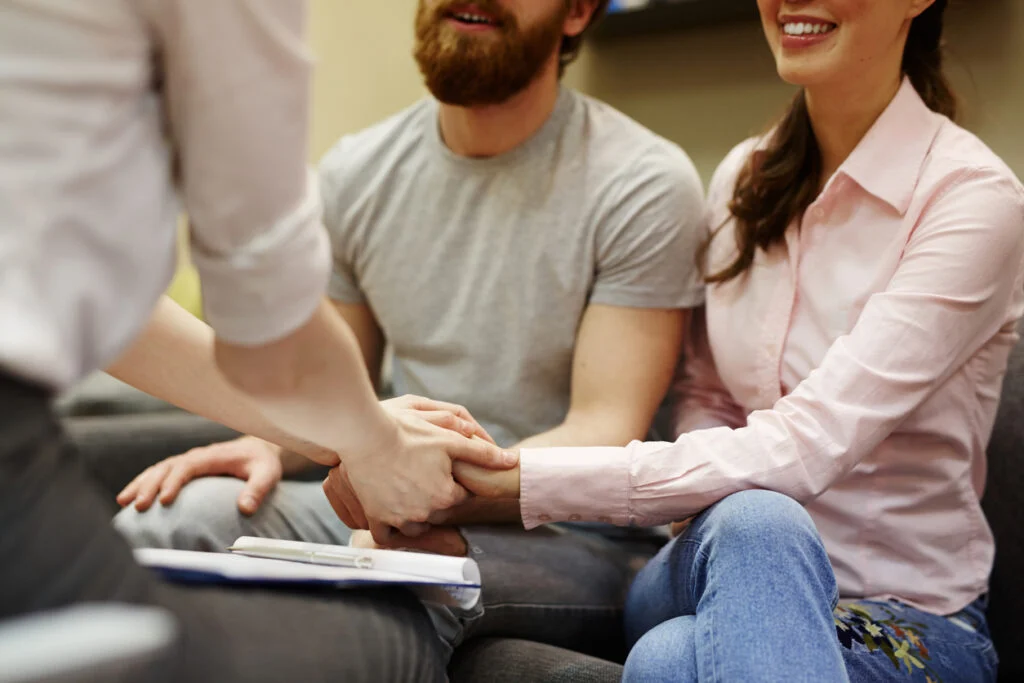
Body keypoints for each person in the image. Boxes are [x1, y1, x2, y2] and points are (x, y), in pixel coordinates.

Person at [443, 0, 1024, 680]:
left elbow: (808, 444)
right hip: (719, 557)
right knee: (756, 522)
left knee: (669, 659)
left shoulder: (973, 200)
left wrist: (509, 480)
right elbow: (708, 394)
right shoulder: (741, 180)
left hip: (911, 614)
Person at [113, 0, 706, 658]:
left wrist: (423, 489)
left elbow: (602, 431)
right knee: (172, 519)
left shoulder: (643, 183)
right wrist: (271, 444)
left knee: (396, 571)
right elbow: (342, 388)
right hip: (390, 495)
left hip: (576, 535)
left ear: (578, 12)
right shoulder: (355, 173)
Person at [0, 1, 513, 681]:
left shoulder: (637, 177)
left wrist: (346, 440)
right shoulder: (361, 163)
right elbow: (271, 312)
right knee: (390, 649)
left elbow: (84, 294)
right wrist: (373, 443)